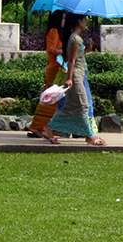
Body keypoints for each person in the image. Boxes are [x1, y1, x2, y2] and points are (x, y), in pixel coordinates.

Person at [41, 13, 105, 145]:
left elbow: (74, 56)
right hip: (75, 78)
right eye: (85, 19)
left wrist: (86, 50)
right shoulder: (76, 39)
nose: (86, 22)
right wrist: (70, 78)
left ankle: (48, 129)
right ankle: (90, 136)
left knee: (70, 107)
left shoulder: (75, 38)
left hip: (77, 76)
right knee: (83, 106)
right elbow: (71, 61)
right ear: (79, 21)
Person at [27, 10, 68, 138]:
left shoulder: (61, 33)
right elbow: (51, 50)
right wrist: (64, 50)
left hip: (59, 69)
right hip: (53, 69)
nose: (64, 22)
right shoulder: (53, 32)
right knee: (50, 98)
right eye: (63, 19)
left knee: (55, 100)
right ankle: (37, 127)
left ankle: (49, 127)